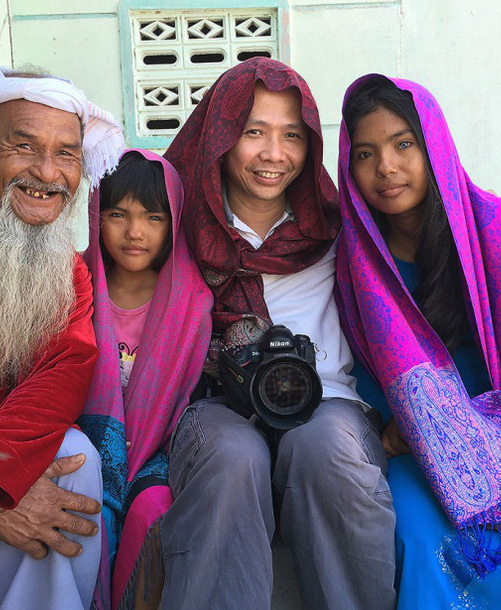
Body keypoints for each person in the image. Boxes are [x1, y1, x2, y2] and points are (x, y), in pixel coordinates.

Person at [160, 57, 397, 610]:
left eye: (292, 136)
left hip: (329, 404)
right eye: (253, 133)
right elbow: (103, 253)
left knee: (324, 449)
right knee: (231, 454)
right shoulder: (176, 220)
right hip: (216, 404)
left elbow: (431, 229)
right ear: (221, 136)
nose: (274, 155)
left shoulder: (342, 224)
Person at [335, 74, 501, 609]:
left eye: (404, 145)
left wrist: (500, 439)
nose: (387, 168)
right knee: (424, 542)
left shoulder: (500, 230)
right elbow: (361, 372)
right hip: (418, 444)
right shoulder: (355, 265)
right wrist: (400, 433)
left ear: (434, 145)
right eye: (366, 154)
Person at [0, 67, 124, 609]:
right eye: (23, 146)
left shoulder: (72, 276)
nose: (48, 174)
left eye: (67, 154)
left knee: (76, 459)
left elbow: (61, 379)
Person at [77, 149, 212, 608]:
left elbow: (183, 402)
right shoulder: (75, 284)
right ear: (97, 213)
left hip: (157, 451)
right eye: (118, 214)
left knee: (152, 510)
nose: (134, 233)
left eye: (153, 217)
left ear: (172, 221)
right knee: (84, 501)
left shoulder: (190, 302)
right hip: (83, 448)